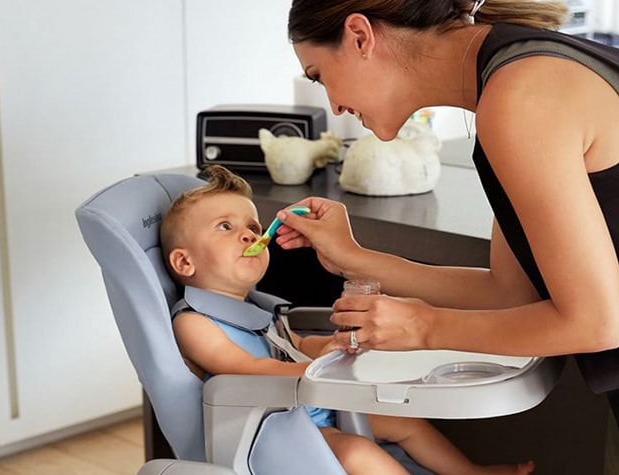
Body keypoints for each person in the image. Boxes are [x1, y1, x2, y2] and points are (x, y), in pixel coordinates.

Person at [274, 0, 619, 472]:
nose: (331, 104)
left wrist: (421, 326)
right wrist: (356, 259)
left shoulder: (519, 97)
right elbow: (509, 292)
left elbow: (598, 321)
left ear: (359, 36)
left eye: (318, 75)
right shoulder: (513, 77)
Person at [160, 164, 534, 475]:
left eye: (253, 228)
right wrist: (319, 371)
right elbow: (245, 367)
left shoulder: (257, 311)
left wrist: (329, 346)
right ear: (184, 262)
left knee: (401, 421)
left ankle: (471, 473)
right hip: (268, 427)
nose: (247, 234)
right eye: (226, 227)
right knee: (356, 454)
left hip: (307, 405)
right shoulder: (194, 322)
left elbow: (296, 348)